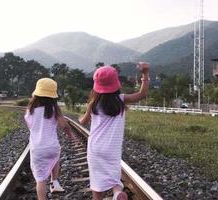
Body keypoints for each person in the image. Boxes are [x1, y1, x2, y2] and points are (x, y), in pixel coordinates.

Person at [79, 63, 150, 200]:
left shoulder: (93, 103)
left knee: (97, 181)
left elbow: (83, 121)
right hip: (112, 148)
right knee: (114, 176)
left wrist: (80, 117)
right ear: (115, 83)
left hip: (95, 147)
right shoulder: (121, 99)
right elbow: (142, 94)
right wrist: (145, 73)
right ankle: (117, 192)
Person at [24, 78, 76, 200]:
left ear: (36, 94)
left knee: (40, 180)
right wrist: (71, 135)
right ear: (53, 96)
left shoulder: (29, 111)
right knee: (54, 157)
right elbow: (64, 125)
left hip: (37, 149)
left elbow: (31, 126)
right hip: (52, 147)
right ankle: (55, 181)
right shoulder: (54, 109)